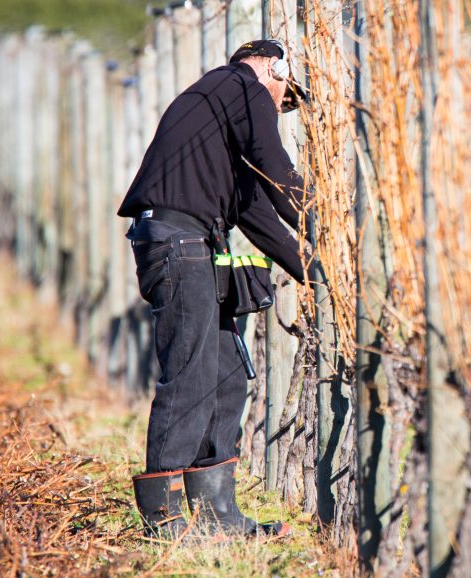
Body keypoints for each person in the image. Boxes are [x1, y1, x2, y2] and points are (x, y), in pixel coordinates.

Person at [117, 39, 311, 539]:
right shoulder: (237, 84)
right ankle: (164, 519)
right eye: (286, 95)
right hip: (178, 242)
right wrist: (321, 212)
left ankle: (215, 515)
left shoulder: (221, 120)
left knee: (226, 373)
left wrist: (316, 267)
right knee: (191, 373)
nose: (281, 108)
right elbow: (273, 164)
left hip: (191, 243)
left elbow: (255, 212)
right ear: (273, 67)